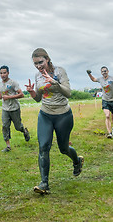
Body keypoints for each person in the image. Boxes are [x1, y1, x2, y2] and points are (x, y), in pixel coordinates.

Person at [25, 48, 83, 194]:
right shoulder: (37, 76)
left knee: (63, 149)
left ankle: (77, 161)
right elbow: (39, 97)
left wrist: (55, 83)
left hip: (63, 115)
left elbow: (68, 93)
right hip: (45, 114)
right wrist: (33, 93)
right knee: (43, 147)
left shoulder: (59, 71)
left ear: (47, 59)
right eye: (35, 64)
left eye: (40, 62)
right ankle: (44, 183)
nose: (38, 66)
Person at [0, 65, 30, 152]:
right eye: (1, 73)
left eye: (4, 73)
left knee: (18, 127)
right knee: (5, 126)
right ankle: (8, 146)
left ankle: (24, 131)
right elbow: (1, 93)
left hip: (14, 108)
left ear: (8, 73)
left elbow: (21, 94)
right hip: (5, 109)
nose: (2, 75)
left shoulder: (13, 83)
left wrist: (9, 97)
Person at [87, 66, 113, 138]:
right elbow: (93, 79)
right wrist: (89, 74)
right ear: (101, 73)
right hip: (105, 100)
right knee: (107, 116)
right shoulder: (100, 79)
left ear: (108, 71)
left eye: (105, 71)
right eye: (102, 71)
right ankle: (109, 133)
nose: (104, 72)